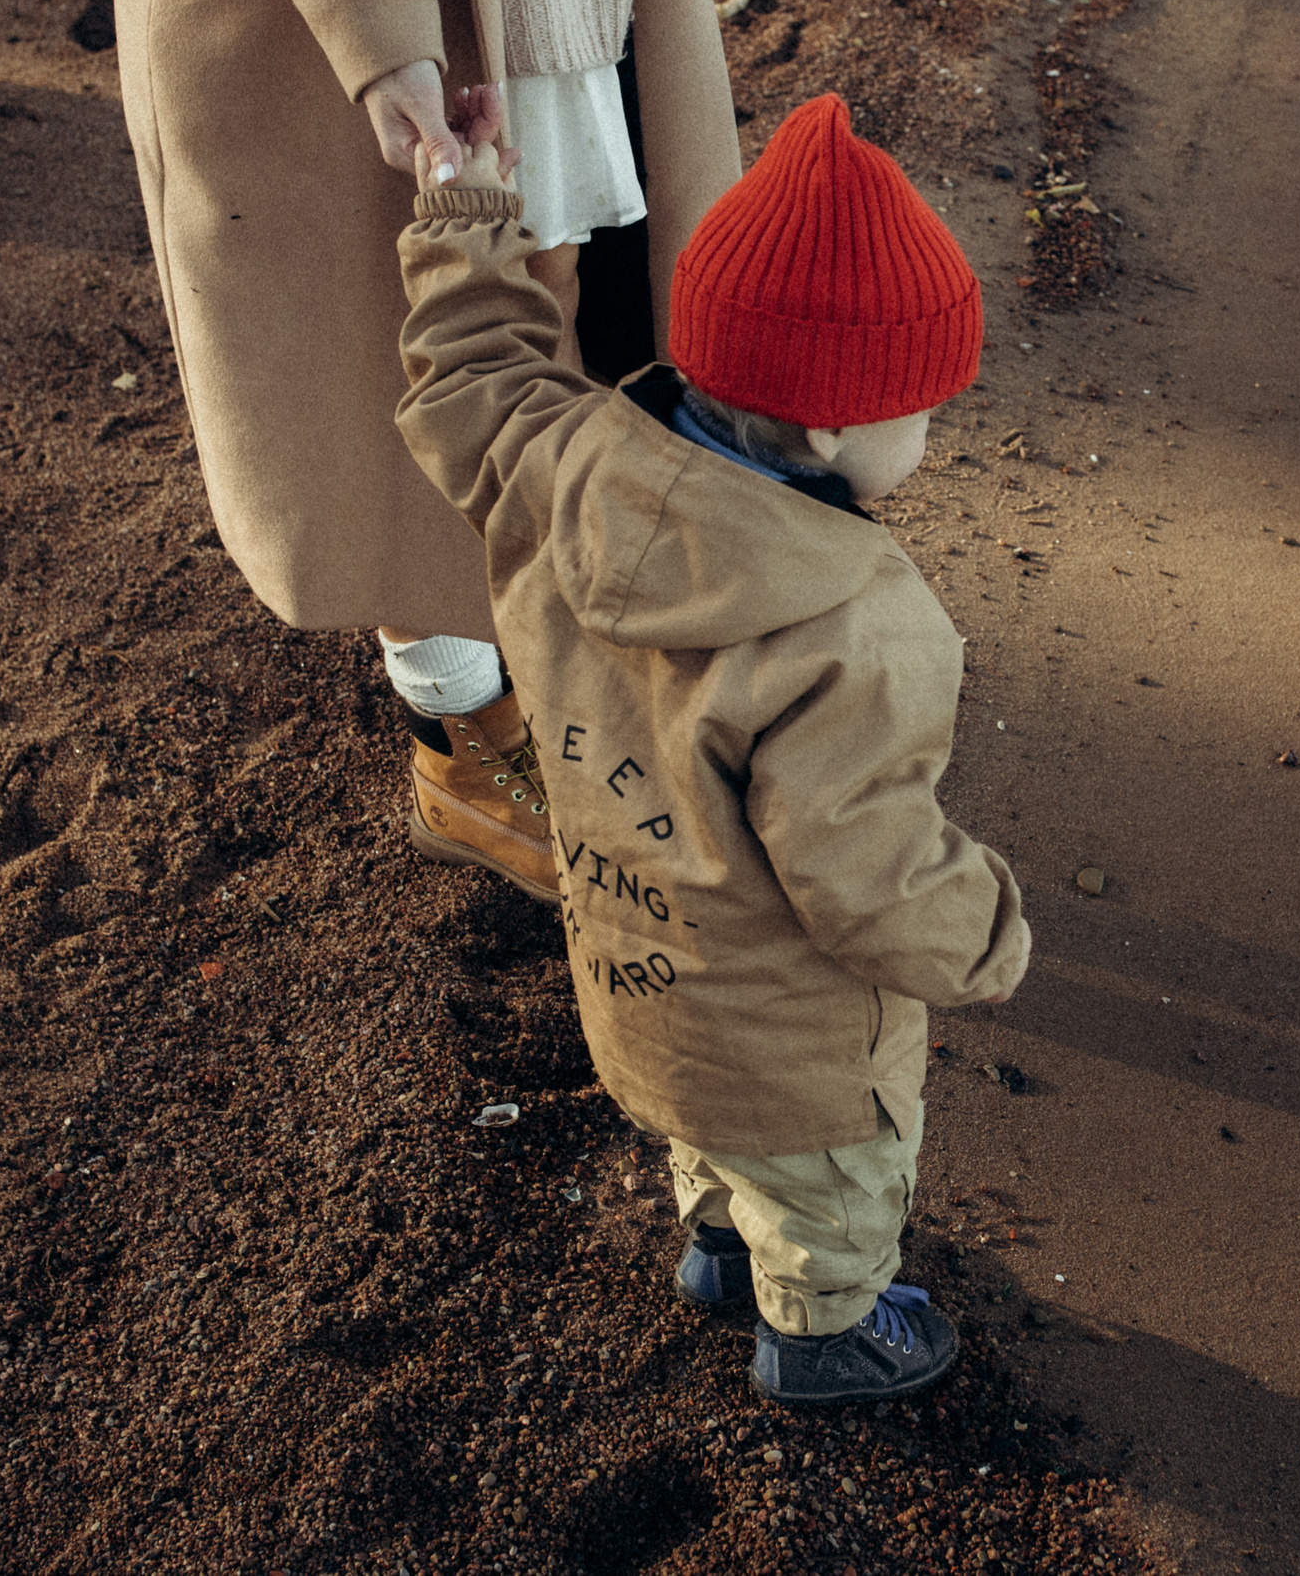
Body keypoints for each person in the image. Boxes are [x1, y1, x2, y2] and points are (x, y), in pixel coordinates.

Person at [391, 94, 1032, 1404]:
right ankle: (822, 1332)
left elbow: (467, 378)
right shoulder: (859, 626)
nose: (931, 431)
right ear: (833, 432)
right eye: (923, 408)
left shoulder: (566, 458)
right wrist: (984, 934)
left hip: (633, 964)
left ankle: (720, 1249)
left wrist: (461, 222)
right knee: (836, 1180)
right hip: (794, 1034)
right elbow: (864, 869)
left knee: (704, 1118)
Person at [51, 0, 740, 900]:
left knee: (566, 312)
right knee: (401, 373)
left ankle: (565, 683)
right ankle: (466, 742)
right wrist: (376, 30)